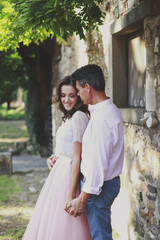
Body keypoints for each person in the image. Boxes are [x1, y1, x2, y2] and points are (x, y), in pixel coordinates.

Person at [22, 76, 91, 240]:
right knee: (52, 221)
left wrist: (71, 193)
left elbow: (77, 156)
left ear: (79, 96)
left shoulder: (79, 117)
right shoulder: (68, 117)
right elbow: (66, 149)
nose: (66, 100)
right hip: (58, 175)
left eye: (72, 95)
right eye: (63, 95)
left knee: (66, 224)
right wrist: (53, 158)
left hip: (69, 176)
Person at [65, 64, 124, 240]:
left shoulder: (102, 119)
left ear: (87, 87)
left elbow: (98, 165)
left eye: (78, 90)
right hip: (101, 186)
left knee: (100, 237)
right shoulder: (104, 111)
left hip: (98, 188)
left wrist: (82, 199)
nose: (78, 95)